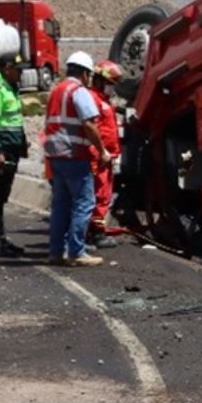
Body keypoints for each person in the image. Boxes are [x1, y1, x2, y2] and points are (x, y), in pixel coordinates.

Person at [44, 51, 106, 267]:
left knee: (61, 204)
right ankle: (76, 252)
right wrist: (102, 151)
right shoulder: (78, 91)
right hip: (74, 154)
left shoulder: (55, 91)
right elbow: (89, 124)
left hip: (54, 155)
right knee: (84, 202)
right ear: (84, 73)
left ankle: (56, 251)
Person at [0, 56, 30, 256]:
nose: (21, 74)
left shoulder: (10, 87)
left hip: (11, 148)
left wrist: (22, 143)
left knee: (2, 196)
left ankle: (1, 240)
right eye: (18, 70)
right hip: (2, 150)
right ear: (7, 69)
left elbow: (14, 119)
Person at [88, 60, 123, 246]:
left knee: (103, 193)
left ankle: (93, 231)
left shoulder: (103, 100)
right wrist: (99, 152)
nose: (112, 88)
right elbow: (92, 128)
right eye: (110, 83)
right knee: (99, 194)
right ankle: (97, 233)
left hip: (105, 156)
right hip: (99, 157)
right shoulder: (93, 99)